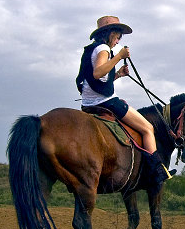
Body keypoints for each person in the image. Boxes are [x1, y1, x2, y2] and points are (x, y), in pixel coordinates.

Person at [75, 15, 174, 183]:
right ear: (110, 33)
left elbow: (99, 80)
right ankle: (157, 171)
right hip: (105, 102)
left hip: (88, 104)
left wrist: (118, 74)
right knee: (148, 128)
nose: (119, 40)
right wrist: (119, 56)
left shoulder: (92, 49)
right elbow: (98, 73)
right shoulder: (103, 50)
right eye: (118, 35)